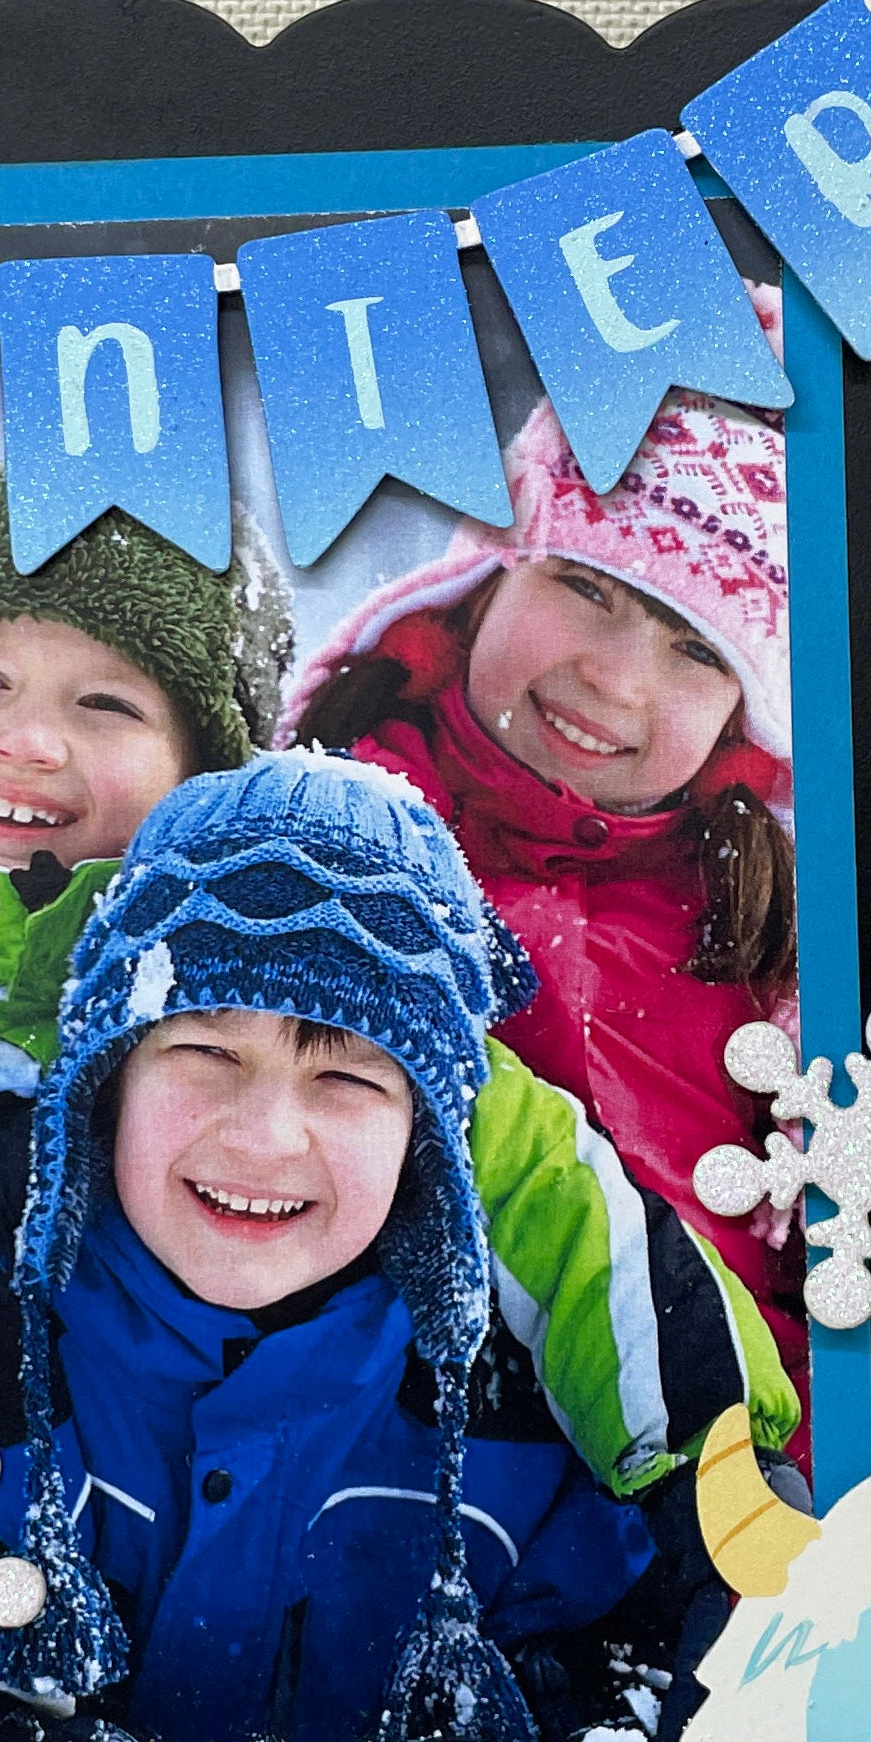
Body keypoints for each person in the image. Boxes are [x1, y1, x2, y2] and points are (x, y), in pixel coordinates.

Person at [0, 466, 797, 1528]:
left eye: (106, 703)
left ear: (207, 767)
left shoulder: (281, 939)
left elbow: (543, 1187)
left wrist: (724, 1485)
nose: (30, 741)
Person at [0, 755, 691, 1742]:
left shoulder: (513, 1363)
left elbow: (637, 1653)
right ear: (110, 1071)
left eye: (346, 1077)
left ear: (426, 1132)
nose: (262, 1138)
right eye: (205, 1050)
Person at [281, 345, 807, 1410]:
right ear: (484, 583)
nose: (614, 679)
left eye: (697, 651)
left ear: (741, 716)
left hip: (728, 1452)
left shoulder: (768, 935)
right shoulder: (320, 840)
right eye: (585, 587)